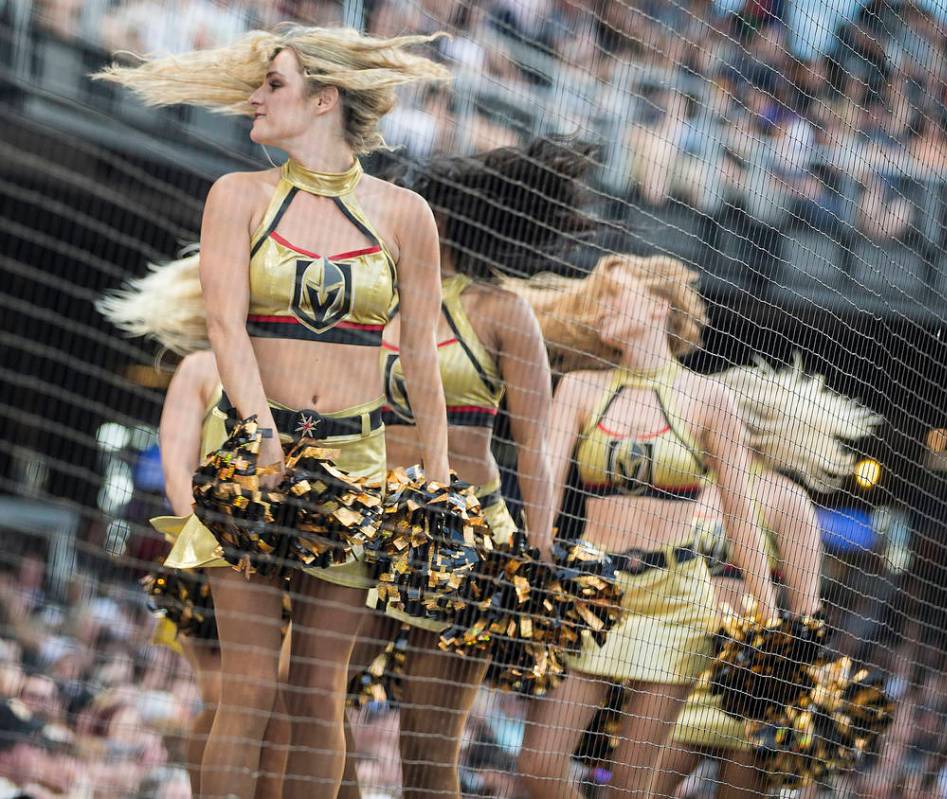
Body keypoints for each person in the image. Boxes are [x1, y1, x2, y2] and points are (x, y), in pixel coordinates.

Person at [95, 24, 453, 798]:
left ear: (325, 99)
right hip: (250, 453)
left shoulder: (405, 214)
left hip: (357, 464)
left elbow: (418, 358)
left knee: (319, 690)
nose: (255, 97)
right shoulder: (236, 195)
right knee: (249, 686)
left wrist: (441, 483)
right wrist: (260, 437)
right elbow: (224, 325)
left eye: (275, 84)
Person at [340, 137, 595, 799]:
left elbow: (535, 448)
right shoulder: (369, 300)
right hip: (369, 520)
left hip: (464, 535)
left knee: (424, 749)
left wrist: (539, 554)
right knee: (313, 689)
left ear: (441, 220)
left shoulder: (499, 310)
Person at [508, 254, 778, 799]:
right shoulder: (581, 388)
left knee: (632, 786)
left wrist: (768, 613)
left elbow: (741, 515)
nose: (602, 307)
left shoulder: (711, 398)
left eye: (616, 294)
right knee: (538, 763)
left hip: (677, 600)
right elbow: (542, 481)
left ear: (659, 306)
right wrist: (536, 561)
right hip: (594, 590)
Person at [652, 356, 881, 798]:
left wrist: (790, 687)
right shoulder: (693, 483)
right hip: (680, 667)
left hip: (751, 681)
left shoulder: (787, 499)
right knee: (633, 788)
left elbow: (806, 613)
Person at [151, 351, 290, 798]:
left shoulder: (301, 363)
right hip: (209, 554)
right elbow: (177, 473)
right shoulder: (199, 367)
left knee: (279, 706)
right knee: (222, 697)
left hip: (285, 562)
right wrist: (215, 545)